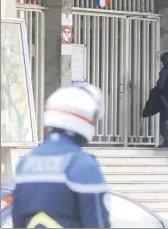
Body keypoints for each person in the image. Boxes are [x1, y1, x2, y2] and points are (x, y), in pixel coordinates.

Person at [12, 83, 111, 228]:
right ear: (84, 118)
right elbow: (98, 223)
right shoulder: (82, 165)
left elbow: (17, 221)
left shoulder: (25, 163)